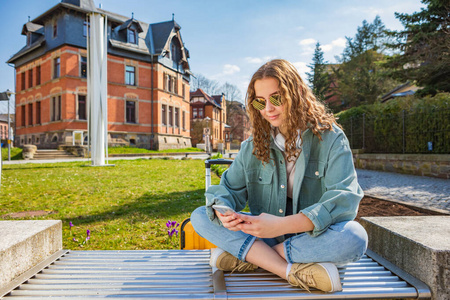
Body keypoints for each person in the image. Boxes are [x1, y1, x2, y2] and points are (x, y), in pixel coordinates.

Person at [191, 59, 368, 293]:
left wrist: (280, 226)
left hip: (310, 239)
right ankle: (288, 271)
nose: (268, 109)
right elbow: (227, 190)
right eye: (260, 102)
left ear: (295, 94)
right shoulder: (252, 146)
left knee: (355, 237)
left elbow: (344, 200)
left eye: (276, 98)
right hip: (265, 237)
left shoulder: (332, 139)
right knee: (200, 216)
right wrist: (223, 211)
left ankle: (254, 258)